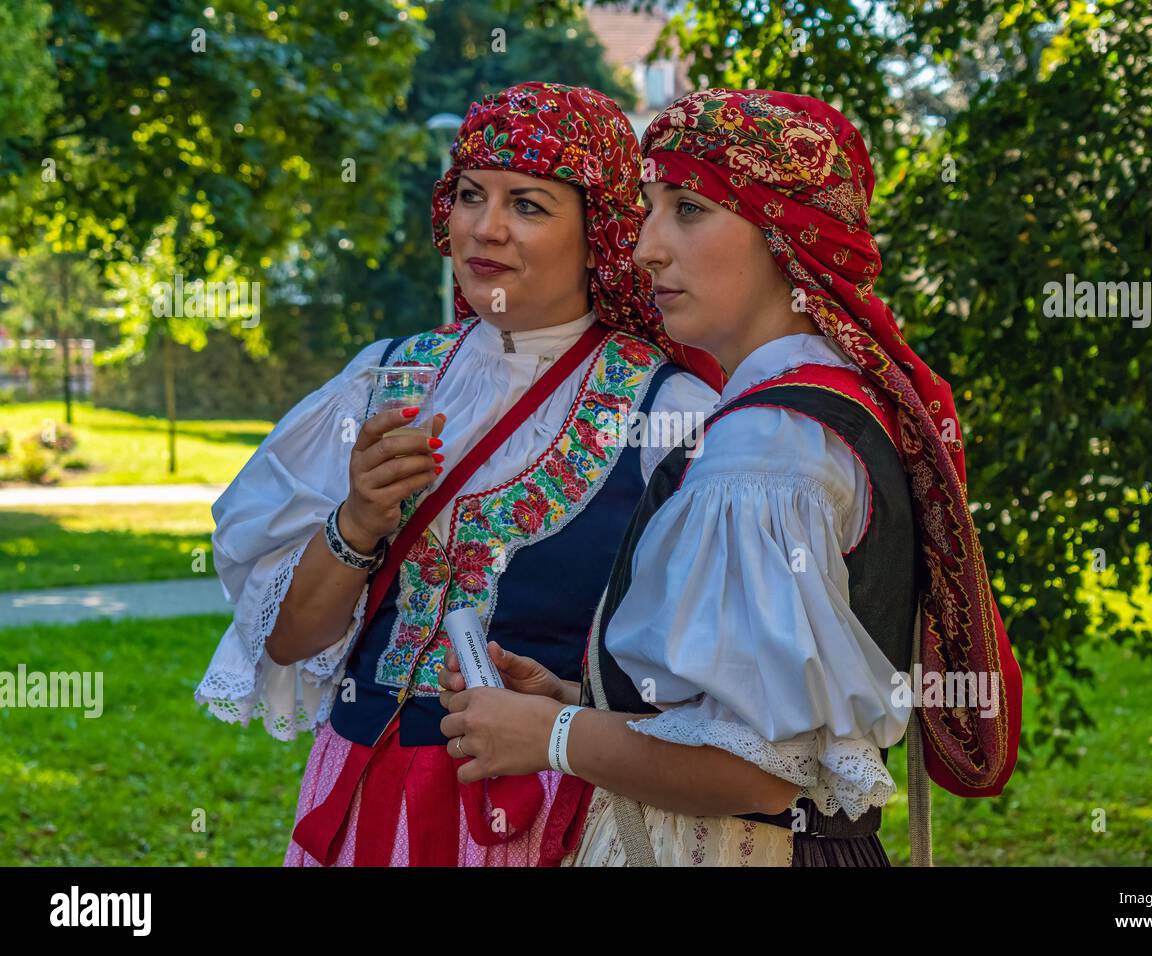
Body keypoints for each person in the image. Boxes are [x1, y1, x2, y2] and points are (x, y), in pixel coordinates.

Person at [436, 87, 1023, 866]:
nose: (646, 247)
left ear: (783, 233)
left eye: (687, 208)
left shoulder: (764, 452)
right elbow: (772, 720)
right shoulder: (827, 408)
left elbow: (753, 767)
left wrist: (550, 737)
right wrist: (585, 700)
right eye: (648, 209)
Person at [193, 81, 723, 867]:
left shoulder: (671, 414)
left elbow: (704, 696)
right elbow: (289, 639)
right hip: (362, 792)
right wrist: (357, 522)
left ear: (602, 232)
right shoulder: (382, 379)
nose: (485, 227)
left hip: (542, 813)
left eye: (529, 205)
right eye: (471, 194)